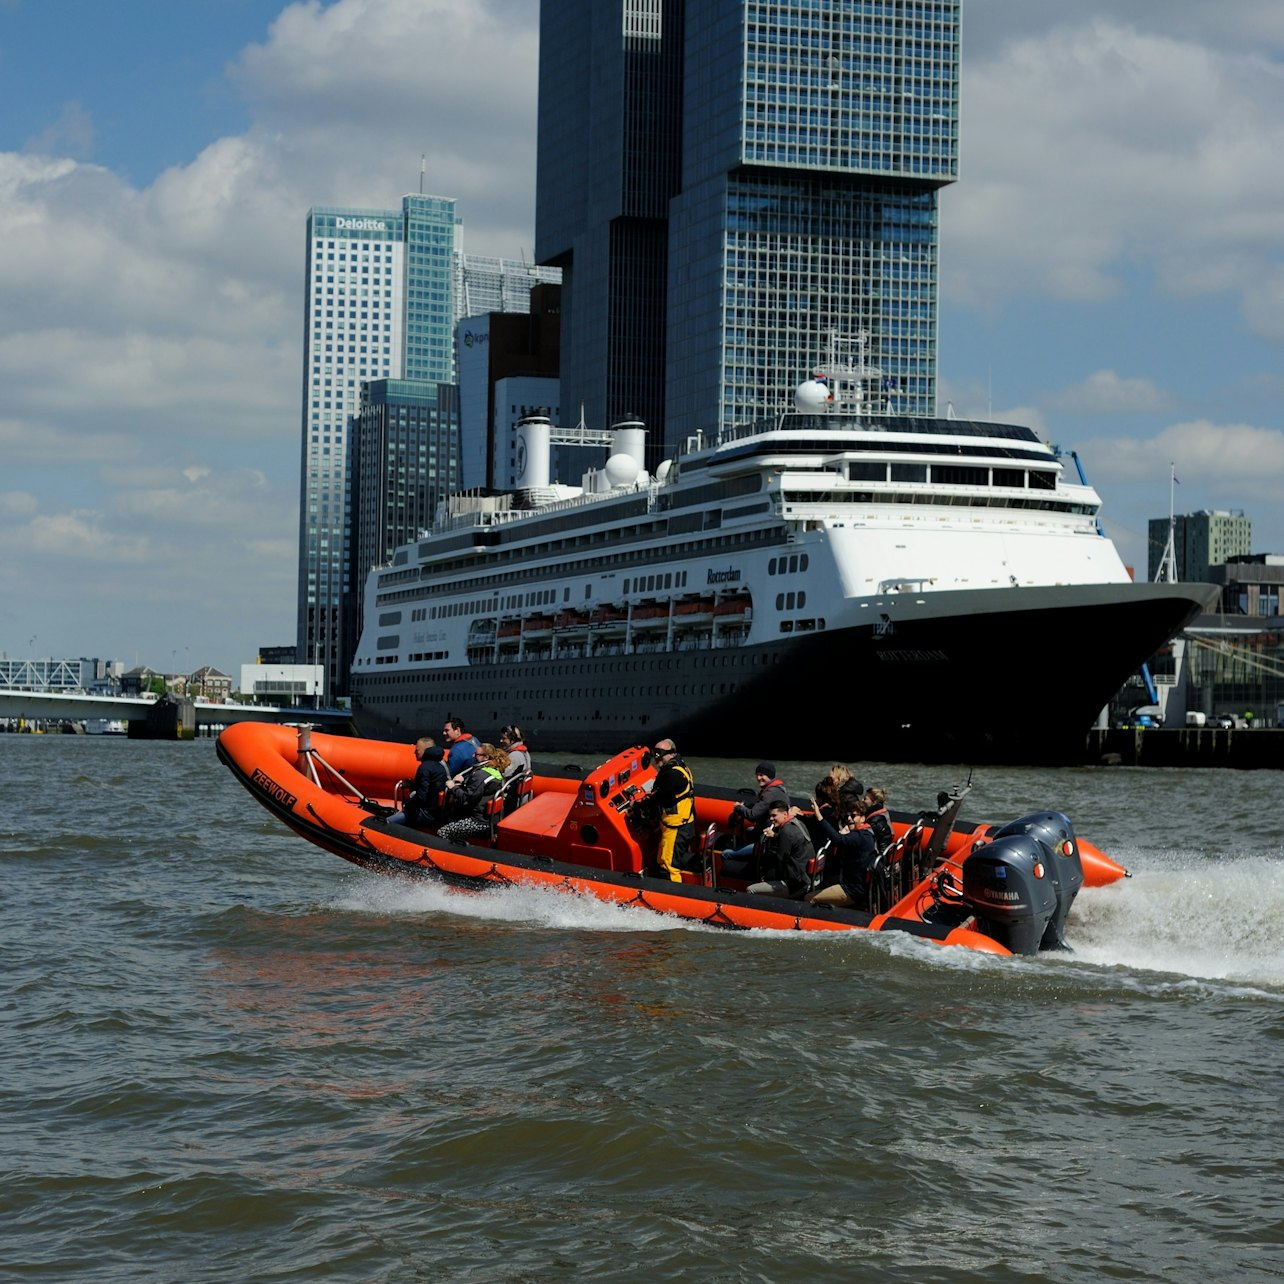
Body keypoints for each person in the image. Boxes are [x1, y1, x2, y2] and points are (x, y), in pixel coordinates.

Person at [806, 792, 878, 909]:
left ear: (863, 818)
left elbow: (838, 840)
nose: (849, 819)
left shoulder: (858, 837)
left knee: (809, 898)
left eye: (853, 816)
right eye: (847, 816)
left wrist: (819, 817)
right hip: (857, 883)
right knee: (828, 882)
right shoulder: (867, 833)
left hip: (853, 889)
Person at [720, 762, 790, 864]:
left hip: (767, 841)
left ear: (769, 776)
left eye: (762, 775)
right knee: (749, 831)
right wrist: (748, 806)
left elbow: (753, 815)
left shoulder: (770, 793)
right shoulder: (779, 790)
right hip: (773, 834)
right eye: (757, 775)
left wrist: (739, 808)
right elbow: (763, 806)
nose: (758, 778)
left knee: (726, 853)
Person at [438, 744, 509, 843]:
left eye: (477, 754)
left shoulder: (481, 775)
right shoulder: (495, 771)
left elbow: (466, 799)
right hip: (489, 818)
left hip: (478, 821)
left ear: (486, 757)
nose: (473, 756)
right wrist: (462, 782)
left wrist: (453, 787)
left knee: (442, 832)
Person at [649, 738, 696, 881]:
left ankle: (672, 896)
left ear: (671, 753)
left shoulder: (673, 774)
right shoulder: (680, 767)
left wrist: (639, 805)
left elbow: (658, 797)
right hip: (680, 825)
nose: (657, 758)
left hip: (677, 828)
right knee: (661, 860)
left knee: (669, 866)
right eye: (655, 754)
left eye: (660, 754)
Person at [746, 800, 814, 899]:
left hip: (794, 885)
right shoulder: (798, 824)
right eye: (770, 816)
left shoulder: (786, 832)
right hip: (805, 878)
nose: (771, 819)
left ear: (785, 814)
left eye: (774, 816)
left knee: (751, 889)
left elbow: (780, 860)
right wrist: (775, 836)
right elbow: (792, 842)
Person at [388, 736, 447, 829]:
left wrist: (407, 805)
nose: (414, 752)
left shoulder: (425, 767)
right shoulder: (440, 765)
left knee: (388, 822)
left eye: (417, 750)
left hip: (426, 813)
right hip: (435, 812)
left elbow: (422, 796)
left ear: (425, 751)